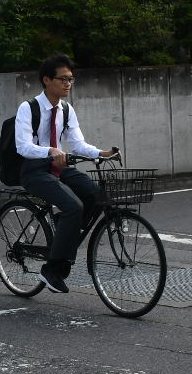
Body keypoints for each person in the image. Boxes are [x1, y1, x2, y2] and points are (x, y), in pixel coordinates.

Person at [15, 55, 119, 294]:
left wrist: (101, 153)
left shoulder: (66, 109)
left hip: (58, 168)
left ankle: (64, 229)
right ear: (46, 80)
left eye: (71, 79)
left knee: (95, 195)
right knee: (74, 206)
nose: (68, 84)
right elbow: (22, 146)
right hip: (34, 170)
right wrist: (50, 150)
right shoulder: (28, 108)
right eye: (63, 79)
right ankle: (52, 269)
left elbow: (77, 143)